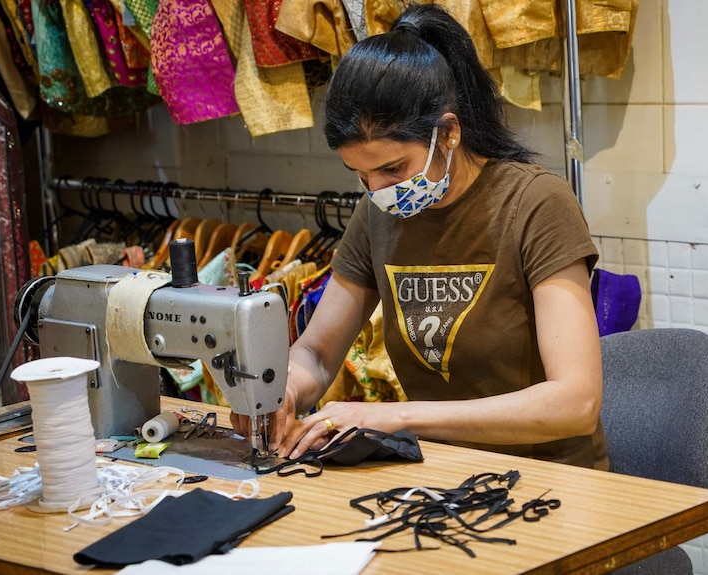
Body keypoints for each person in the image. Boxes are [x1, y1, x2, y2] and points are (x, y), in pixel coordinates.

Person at [232, 4, 607, 470]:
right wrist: (282, 388)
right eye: (361, 175)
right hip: (442, 472)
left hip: (551, 479)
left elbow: (576, 404)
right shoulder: (376, 215)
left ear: (448, 133)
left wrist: (396, 416)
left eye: (393, 169)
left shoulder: (535, 204)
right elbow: (317, 351)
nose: (379, 191)